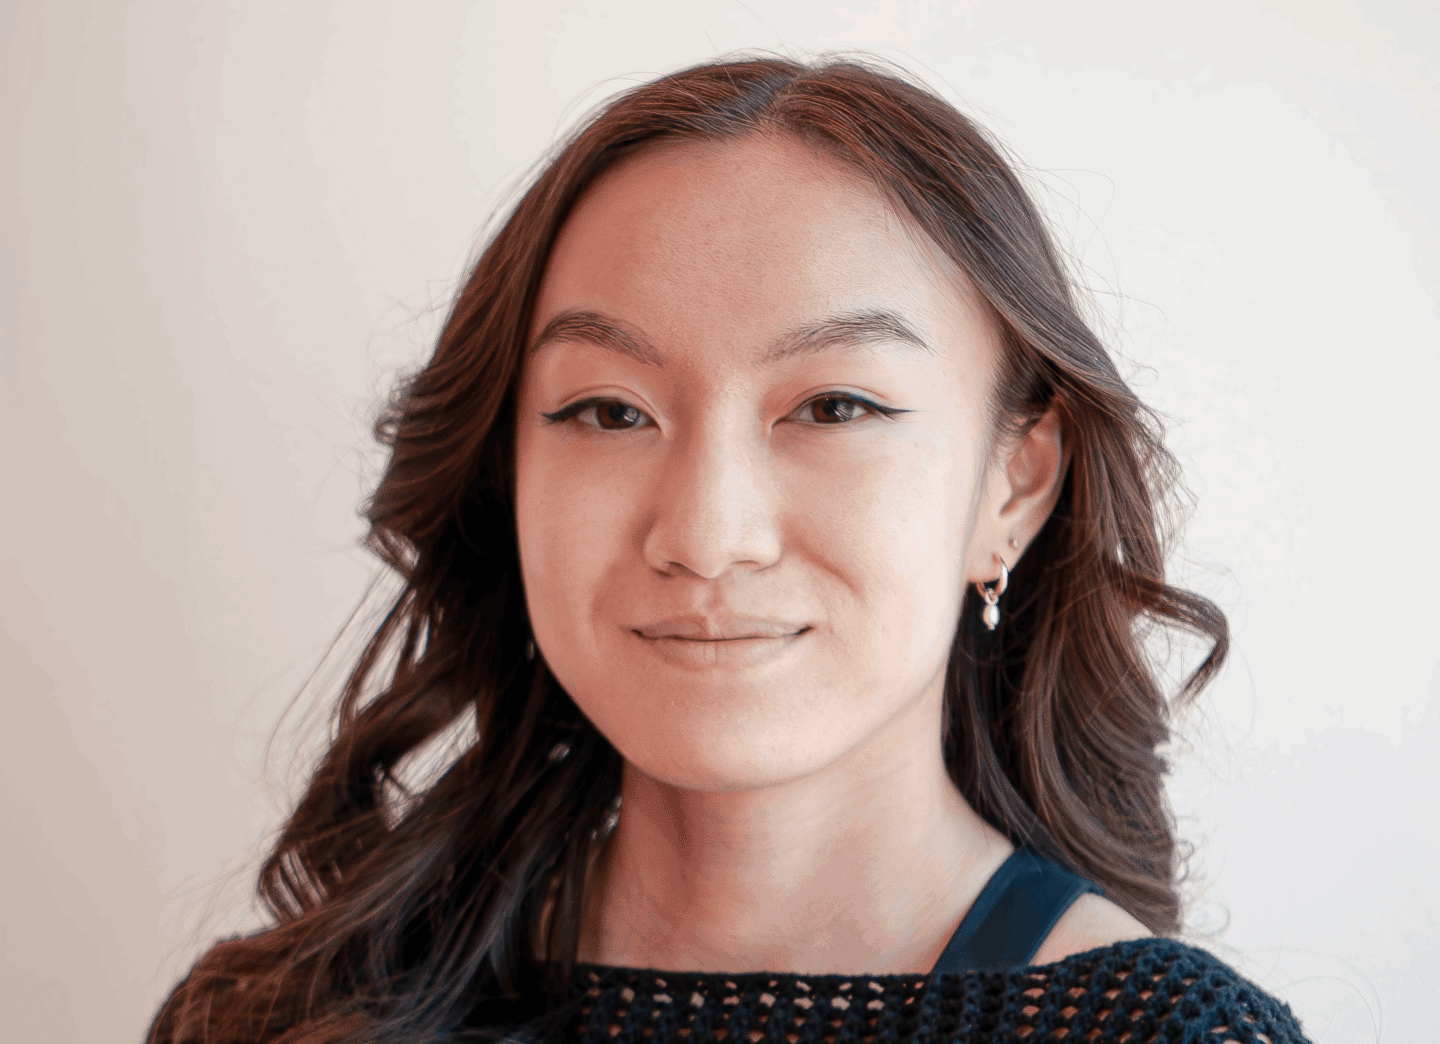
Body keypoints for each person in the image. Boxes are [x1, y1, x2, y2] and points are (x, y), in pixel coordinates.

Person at [148, 56, 1313, 1044]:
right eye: (609, 411)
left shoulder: (1162, 1032)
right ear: (509, 472)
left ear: (1014, 484)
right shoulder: (282, 1016)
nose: (705, 536)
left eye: (835, 407)